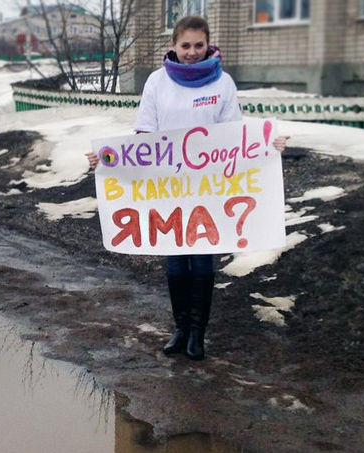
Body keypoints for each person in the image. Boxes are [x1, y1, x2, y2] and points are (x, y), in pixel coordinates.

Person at [86, 16, 288, 360]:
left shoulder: (222, 83)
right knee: (177, 264)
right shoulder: (157, 82)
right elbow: (144, 135)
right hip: (169, 189)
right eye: (185, 45)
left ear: (208, 45)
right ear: (174, 46)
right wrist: (108, 159)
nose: (192, 52)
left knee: (204, 264)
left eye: (199, 45)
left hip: (209, 189)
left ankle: (198, 333)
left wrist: (268, 145)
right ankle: (180, 328)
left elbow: (235, 136)